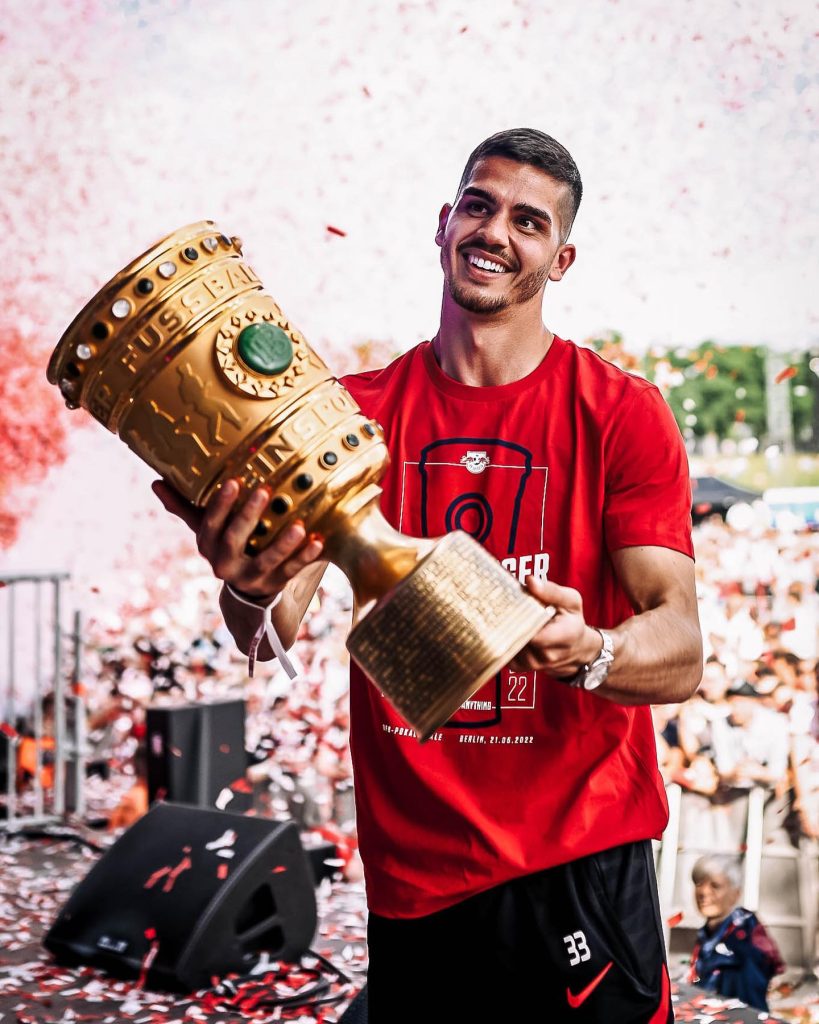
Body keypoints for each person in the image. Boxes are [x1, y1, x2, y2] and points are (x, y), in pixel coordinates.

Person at [154, 128, 703, 1022]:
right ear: (444, 222)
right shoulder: (353, 414)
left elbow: (679, 647)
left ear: (560, 259)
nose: (495, 231)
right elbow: (269, 624)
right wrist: (247, 582)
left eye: (528, 221)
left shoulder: (619, 411)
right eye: (479, 205)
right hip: (411, 883)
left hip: (574, 862)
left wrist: (589, 650)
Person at [688, 854, 784, 1011]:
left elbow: (749, 1007)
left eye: (715, 886)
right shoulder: (711, 932)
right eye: (699, 883)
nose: (703, 892)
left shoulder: (743, 943)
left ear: (736, 894)